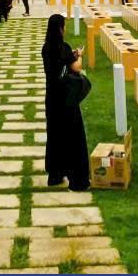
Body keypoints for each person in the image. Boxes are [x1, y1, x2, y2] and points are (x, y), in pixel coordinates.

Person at [41, 14, 90, 191]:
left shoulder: (46, 48)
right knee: (72, 136)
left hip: (52, 97)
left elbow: (59, 64)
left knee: (55, 135)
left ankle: (55, 174)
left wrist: (71, 55)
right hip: (66, 98)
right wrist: (79, 56)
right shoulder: (64, 47)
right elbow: (76, 67)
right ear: (61, 28)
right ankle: (77, 178)